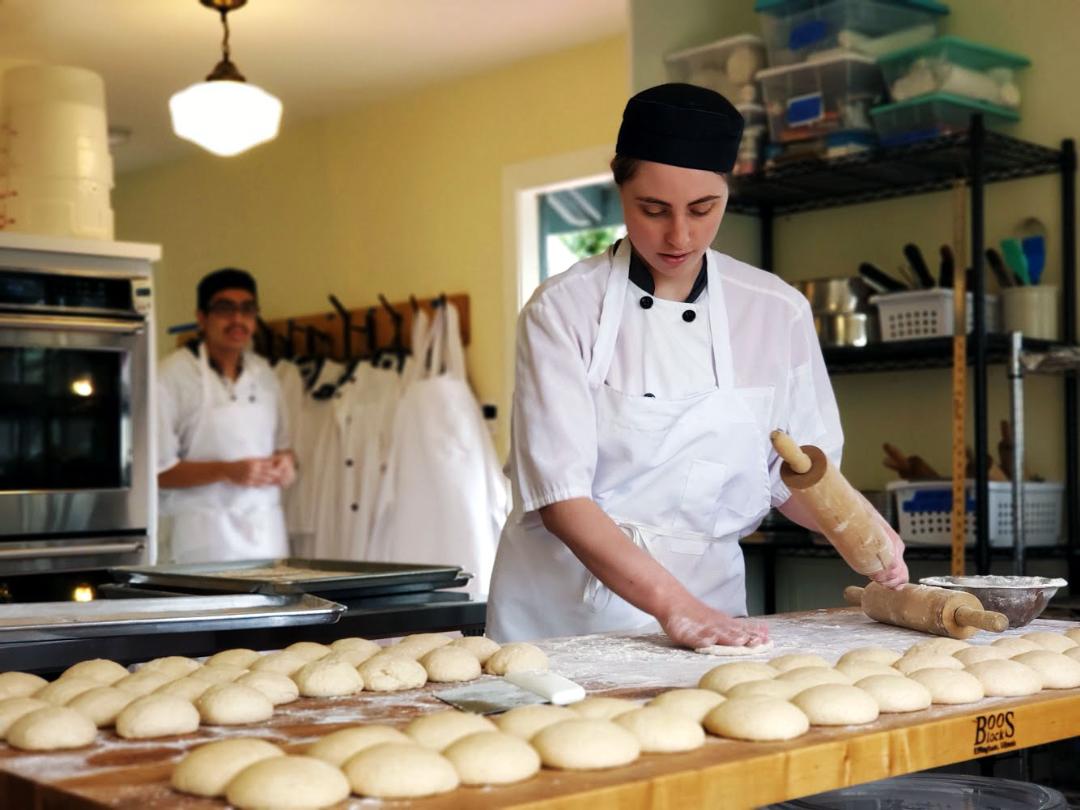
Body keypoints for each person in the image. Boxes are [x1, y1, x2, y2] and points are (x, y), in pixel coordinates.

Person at [487, 83, 908, 649]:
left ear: (727, 194)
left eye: (702, 209)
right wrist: (675, 608)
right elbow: (564, 500)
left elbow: (793, 475)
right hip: (564, 625)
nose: (679, 236)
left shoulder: (774, 310)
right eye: (653, 209)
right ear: (619, 187)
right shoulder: (564, 309)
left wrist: (855, 525)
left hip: (714, 619)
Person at [157, 267, 295, 563]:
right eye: (224, 309)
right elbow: (156, 473)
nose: (237, 320)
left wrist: (286, 465)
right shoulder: (171, 376)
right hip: (202, 542)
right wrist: (226, 471)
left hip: (265, 538)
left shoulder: (265, 374)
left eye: (247, 309)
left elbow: (283, 447)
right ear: (201, 317)